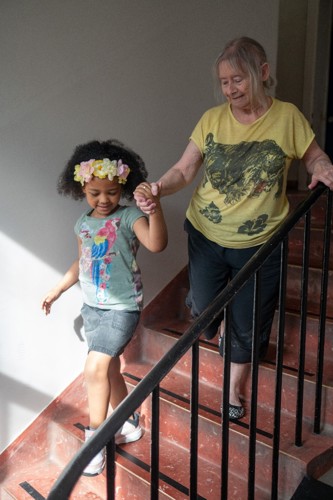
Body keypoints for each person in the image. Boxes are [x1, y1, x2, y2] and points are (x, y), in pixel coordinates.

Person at [134, 36, 333, 421]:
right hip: (207, 235)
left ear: (263, 73)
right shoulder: (212, 119)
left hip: (262, 244)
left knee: (249, 320)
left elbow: (314, 155)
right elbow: (185, 169)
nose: (231, 89)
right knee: (206, 311)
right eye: (224, 82)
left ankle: (233, 389)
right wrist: (159, 187)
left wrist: (322, 166)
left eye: (238, 79)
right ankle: (213, 313)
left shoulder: (287, 117)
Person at [41, 139, 167, 476]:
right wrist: (58, 289)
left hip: (122, 309)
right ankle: (128, 424)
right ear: (81, 188)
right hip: (92, 309)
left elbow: (157, 244)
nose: (103, 199)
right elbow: (79, 261)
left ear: (121, 187)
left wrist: (155, 209)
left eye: (111, 192)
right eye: (95, 193)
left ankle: (94, 442)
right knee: (109, 370)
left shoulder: (129, 217)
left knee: (95, 369)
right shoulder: (82, 223)